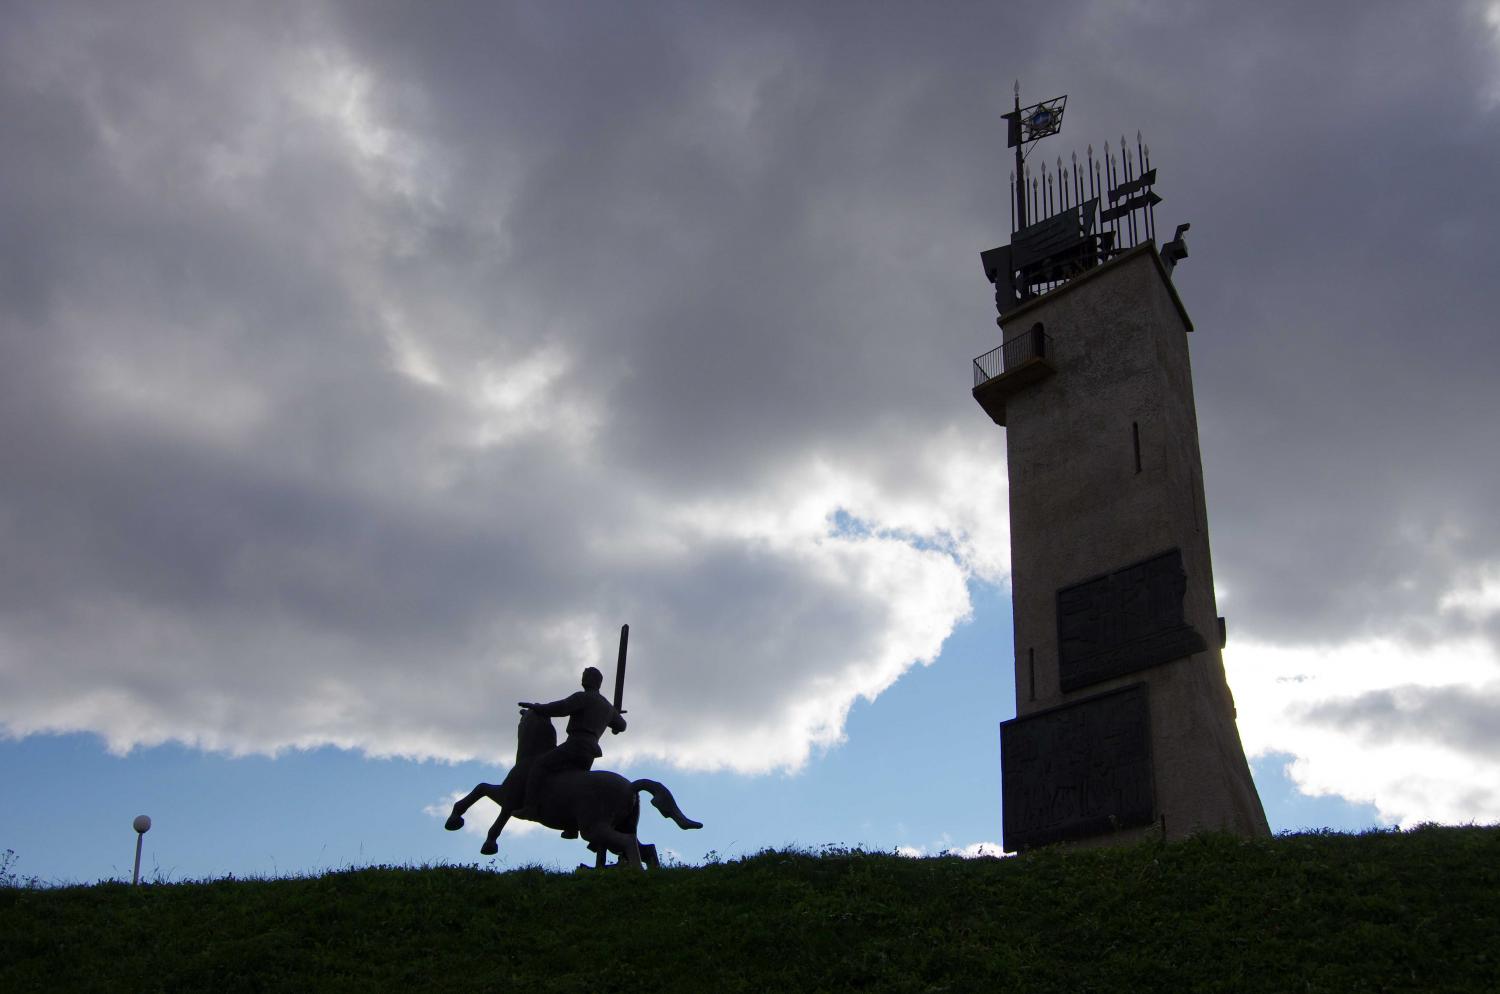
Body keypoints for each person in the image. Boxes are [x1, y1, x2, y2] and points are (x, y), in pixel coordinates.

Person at [513, 666, 626, 821]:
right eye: (584, 675)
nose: (583, 678)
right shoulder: (607, 706)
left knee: (539, 765)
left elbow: (561, 708)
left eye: (586, 675)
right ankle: (570, 825)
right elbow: (622, 725)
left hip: (575, 744)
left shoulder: (583, 697)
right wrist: (614, 716)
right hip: (590, 752)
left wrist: (537, 708)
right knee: (572, 782)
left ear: (594, 680)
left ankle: (530, 807)